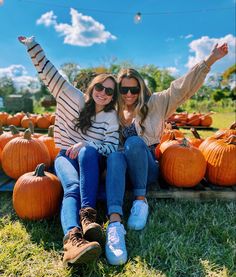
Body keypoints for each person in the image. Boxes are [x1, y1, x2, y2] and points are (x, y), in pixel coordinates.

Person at [105, 43, 228, 265]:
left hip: (147, 165)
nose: (130, 94)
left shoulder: (156, 103)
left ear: (141, 89)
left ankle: (140, 202)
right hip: (122, 169)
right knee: (115, 156)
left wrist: (210, 60)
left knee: (133, 142)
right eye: (124, 90)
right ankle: (114, 224)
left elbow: (182, 88)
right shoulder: (111, 111)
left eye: (134, 89)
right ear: (118, 91)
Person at [18, 36, 119, 265]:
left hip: (91, 161)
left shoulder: (110, 117)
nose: (103, 93)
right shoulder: (70, 96)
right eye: (100, 87)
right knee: (71, 186)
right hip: (64, 156)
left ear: (113, 97)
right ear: (93, 86)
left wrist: (87, 144)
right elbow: (48, 72)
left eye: (109, 91)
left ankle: (88, 217)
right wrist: (33, 46)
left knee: (87, 152)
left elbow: (112, 146)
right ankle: (73, 240)